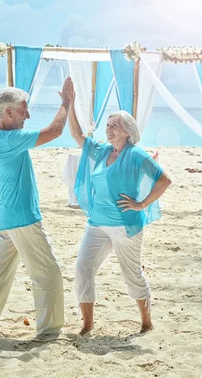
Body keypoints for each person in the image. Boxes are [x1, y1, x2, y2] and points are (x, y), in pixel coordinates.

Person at [0, 78, 75, 339]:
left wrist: (1, 198)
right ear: (9, 112)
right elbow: (55, 131)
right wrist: (66, 103)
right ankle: (48, 332)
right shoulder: (10, 139)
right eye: (24, 108)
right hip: (24, 219)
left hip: (6, 218)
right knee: (48, 273)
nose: (28, 114)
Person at [68, 107, 172, 335]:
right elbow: (78, 136)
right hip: (97, 223)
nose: (109, 128)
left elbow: (164, 180)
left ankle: (146, 323)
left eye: (114, 125)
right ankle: (87, 324)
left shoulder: (136, 154)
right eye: (107, 125)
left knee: (132, 274)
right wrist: (70, 105)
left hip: (125, 225)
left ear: (127, 131)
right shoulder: (104, 151)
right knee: (83, 268)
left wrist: (142, 204)